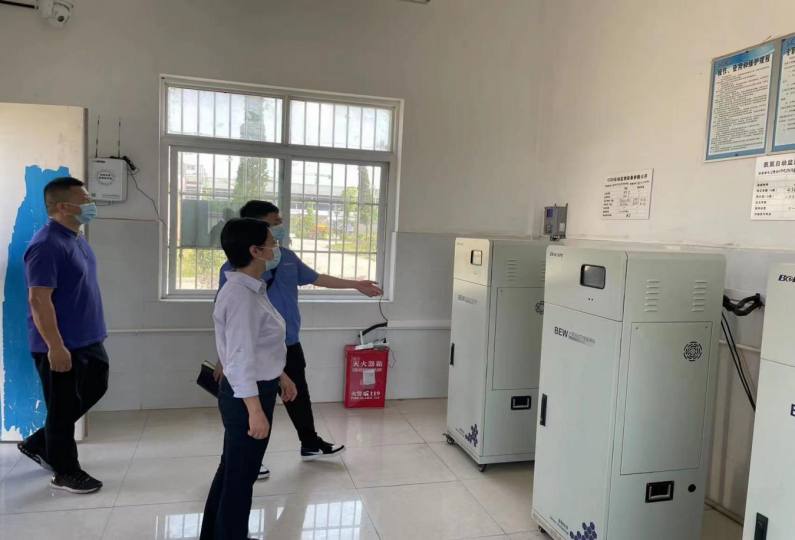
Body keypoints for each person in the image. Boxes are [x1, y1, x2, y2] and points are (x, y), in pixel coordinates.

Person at [215, 200, 382, 478]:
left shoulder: (287, 257)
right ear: (256, 231)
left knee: (298, 395)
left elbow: (316, 278)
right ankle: (247, 458)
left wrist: (356, 284)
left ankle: (310, 443)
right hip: (255, 350)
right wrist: (223, 359)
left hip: (289, 343)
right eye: (275, 224)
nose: (280, 229)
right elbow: (228, 322)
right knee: (251, 406)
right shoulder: (235, 269)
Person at [202, 218, 298, 540]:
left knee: (232, 470)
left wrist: (281, 374)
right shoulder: (241, 296)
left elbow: (255, 347)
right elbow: (240, 358)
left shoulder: (250, 288)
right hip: (247, 396)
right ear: (255, 251)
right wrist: (255, 411)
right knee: (241, 477)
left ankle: (216, 534)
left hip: (254, 388)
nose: (277, 248)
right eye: (273, 243)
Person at [17, 177, 108, 494]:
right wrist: (55, 346)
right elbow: (38, 299)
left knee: (95, 387)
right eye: (85, 199)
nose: (91, 203)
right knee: (62, 408)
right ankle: (65, 471)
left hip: (88, 338)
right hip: (60, 344)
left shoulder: (76, 237)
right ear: (63, 207)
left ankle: (40, 443)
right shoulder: (46, 245)